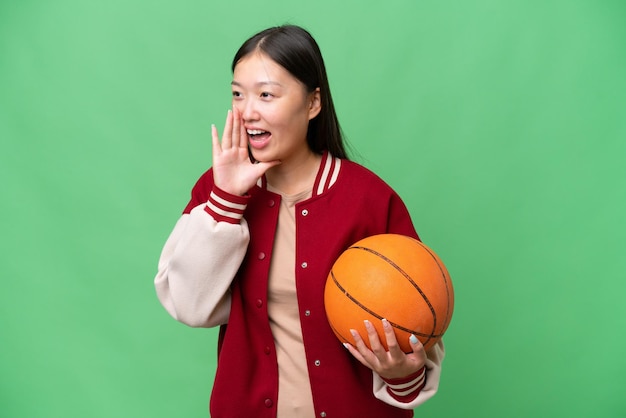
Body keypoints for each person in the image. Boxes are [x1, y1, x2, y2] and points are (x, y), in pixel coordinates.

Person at [154, 24, 445, 418]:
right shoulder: (217, 189)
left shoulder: (370, 200)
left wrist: (401, 374)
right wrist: (227, 199)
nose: (247, 110)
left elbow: (420, 321)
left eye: (266, 95)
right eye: (237, 94)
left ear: (313, 103)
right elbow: (190, 306)